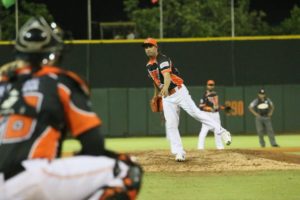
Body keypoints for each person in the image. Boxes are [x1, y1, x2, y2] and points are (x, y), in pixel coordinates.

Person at [0, 17, 142, 200]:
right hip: (29, 176)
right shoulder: (59, 81)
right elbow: (93, 144)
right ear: (55, 52)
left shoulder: (3, 84)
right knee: (125, 169)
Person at [142, 38, 231, 162]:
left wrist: (165, 88)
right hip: (167, 97)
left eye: (150, 46)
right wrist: (156, 95)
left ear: (156, 47)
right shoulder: (148, 65)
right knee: (171, 124)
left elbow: (166, 76)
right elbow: (155, 81)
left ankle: (222, 131)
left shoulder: (163, 59)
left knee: (196, 113)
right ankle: (179, 152)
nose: (147, 49)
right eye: (145, 47)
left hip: (179, 92)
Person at [198, 80, 224, 150]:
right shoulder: (205, 95)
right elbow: (201, 106)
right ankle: (200, 148)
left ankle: (220, 147)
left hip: (215, 114)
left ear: (214, 85)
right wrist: (210, 109)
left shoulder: (215, 94)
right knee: (204, 130)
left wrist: (223, 107)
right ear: (207, 85)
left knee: (218, 129)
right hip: (207, 114)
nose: (211, 86)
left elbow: (216, 106)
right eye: (209, 84)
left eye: (212, 84)